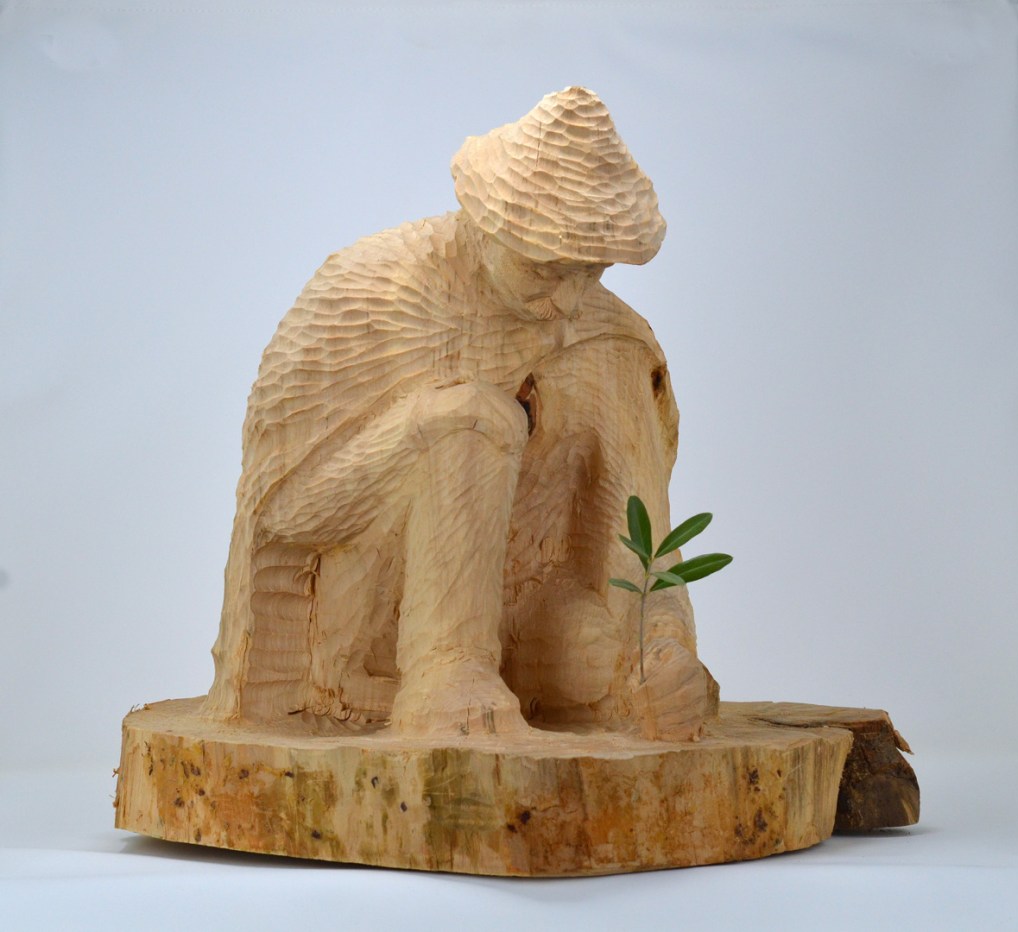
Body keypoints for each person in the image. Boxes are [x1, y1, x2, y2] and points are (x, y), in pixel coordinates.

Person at [202, 87, 717, 739]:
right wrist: (438, 431)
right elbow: (280, 510)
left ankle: (540, 678)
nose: (567, 300)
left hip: (520, 614)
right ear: (488, 227)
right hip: (366, 607)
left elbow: (639, 528)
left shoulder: (604, 333)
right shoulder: (374, 289)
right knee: (472, 418)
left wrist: (663, 646)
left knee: (601, 661)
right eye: (546, 269)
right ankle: (447, 677)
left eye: (591, 272)